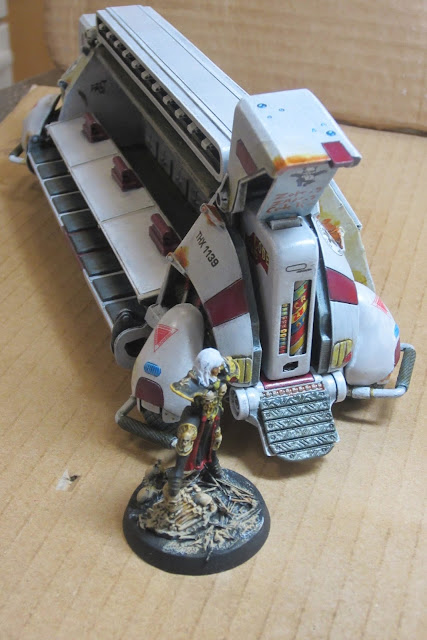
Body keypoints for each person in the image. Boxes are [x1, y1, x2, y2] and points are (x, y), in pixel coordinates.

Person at [168, 348, 239, 496]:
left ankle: (212, 463)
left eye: (219, 366)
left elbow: (233, 371)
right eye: (215, 367)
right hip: (197, 413)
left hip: (214, 415)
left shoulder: (220, 373)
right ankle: (177, 474)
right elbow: (184, 388)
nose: (218, 369)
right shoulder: (194, 379)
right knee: (186, 436)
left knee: (215, 439)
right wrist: (205, 394)